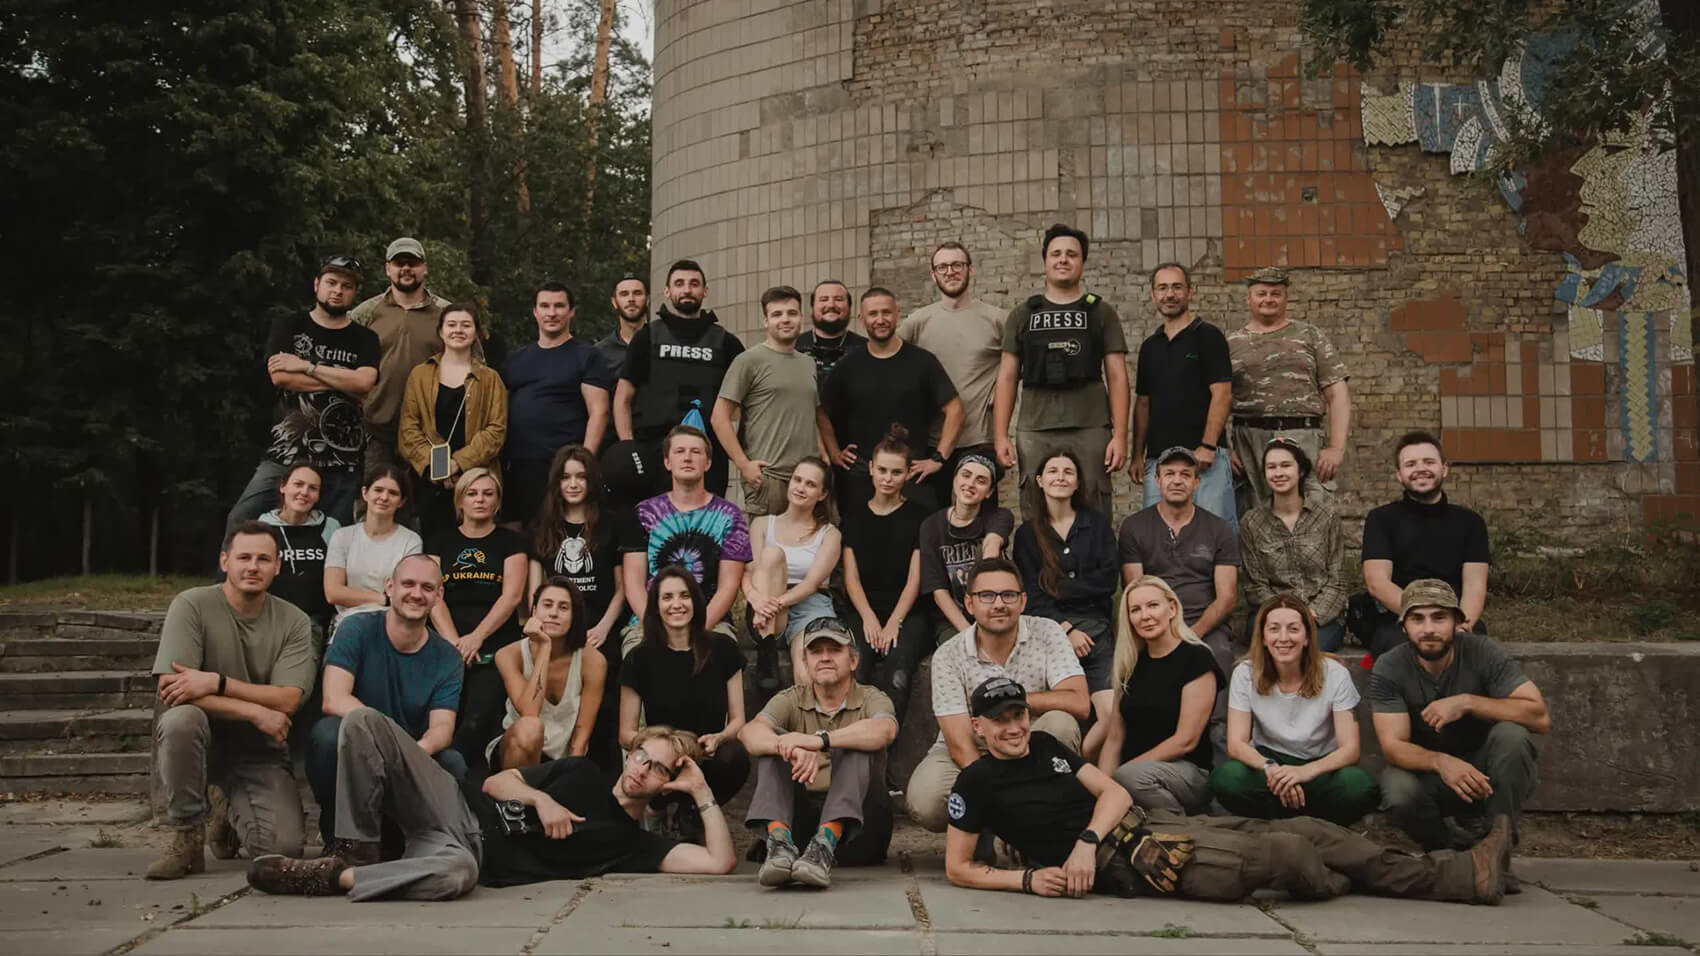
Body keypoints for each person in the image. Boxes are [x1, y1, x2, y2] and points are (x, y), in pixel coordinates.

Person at [944, 676, 1514, 906]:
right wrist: (1026, 879)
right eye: (1000, 720)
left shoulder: (1047, 746)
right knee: (1293, 852)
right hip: (1138, 863)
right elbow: (957, 867)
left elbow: (1113, 793)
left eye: (1018, 714)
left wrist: (1084, 842)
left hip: (1146, 827)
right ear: (978, 728)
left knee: (1312, 830)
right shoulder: (976, 782)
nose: (1014, 727)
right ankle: (1336, 879)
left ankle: (1461, 874)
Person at [246, 716, 735, 898]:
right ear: (630, 753)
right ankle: (355, 848)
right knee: (363, 722)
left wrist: (698, 789)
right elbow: (497, 781)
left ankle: (330, 878)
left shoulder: (634, 847)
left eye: (658, 769)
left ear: (667, 785)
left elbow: (720, 862)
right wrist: (541, 799)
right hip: (453, 805)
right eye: (641, 756)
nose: (642, 770)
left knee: (456, 876)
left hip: (462, 853)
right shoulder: (582, 772)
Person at [147, 522, 316, 879]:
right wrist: (255, 711)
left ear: (277, 566)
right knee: (180, 720)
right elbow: (172, 689)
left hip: (258, 751)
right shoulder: (192, 605)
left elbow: (288, 698)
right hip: (201, 741)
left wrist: (216, 682)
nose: (253, 567)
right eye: (243, 558)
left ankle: (227, 809)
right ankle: (187, 836)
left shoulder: (294, 621)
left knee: (284, 849)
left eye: (263, 559)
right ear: (225, 561)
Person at [906, 557, 1088, 832]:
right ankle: (1000, 823)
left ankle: (1041, 818)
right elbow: (959, 742)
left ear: (1023, 601)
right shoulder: (949, 655)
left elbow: (1079, 702)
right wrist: (999, 789)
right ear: (970, 604)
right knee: (926, 800)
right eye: (987, 596)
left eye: (1008, 595)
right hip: (976, 743)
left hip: (1031, 739)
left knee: (1061, 723)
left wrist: (1012, 701)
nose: (999, 604)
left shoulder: (1047, 632)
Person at [1371, 579, 1549, 853]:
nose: (1428, 629)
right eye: (1417, 619)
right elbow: (1393, 746)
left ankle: (1497, 848)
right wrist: (1441, 763)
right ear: (1403, 626)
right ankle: (1447, 852)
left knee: (1512, 737)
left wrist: (1468, 702)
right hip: (1430, 774)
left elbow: (1539, 717)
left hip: (1486, 772)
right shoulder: (1390, 666)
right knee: (1397, 787)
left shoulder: (1482, 651)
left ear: (1457, 622)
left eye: (1439, 617)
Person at [308, 554, 466, 853]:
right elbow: (334, 698)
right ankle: (340, 840)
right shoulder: (356, 628)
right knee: (327, 736)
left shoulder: (448, 657)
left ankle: (417, 841)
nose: (416, 594)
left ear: (438, 596)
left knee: (452, 763)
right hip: (358, 750)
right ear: (389, 587)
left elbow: (442, 728)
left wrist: (407, 753)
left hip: (411, 758)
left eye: (427, 587)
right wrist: (385, 741)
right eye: (408, 584)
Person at [740, 619, 899, 888]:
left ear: (853, 661)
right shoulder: (791, 698)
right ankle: (780, 845)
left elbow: (885, 730)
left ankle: (825, 843)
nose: (825, 657)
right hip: (804, 827)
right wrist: (787, 747)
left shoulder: (873, 698)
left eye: (834, 650)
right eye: (816, 651)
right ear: (805, 663)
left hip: (860, 829)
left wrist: (819, 741)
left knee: (856, 742)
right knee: (773, 741)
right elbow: (749, 733)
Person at [228, 255, 379, 528]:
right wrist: (343, 380)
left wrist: (306, 366)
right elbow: (281, 377)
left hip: (341, 457)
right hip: (286, 451)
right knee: (242, 520)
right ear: (317, 284)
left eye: (346, 286)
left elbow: (365, 383)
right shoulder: (289, 325)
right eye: (331, 283)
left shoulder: (365, 338)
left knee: (332, 536)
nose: (338, 290)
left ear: (355, 293)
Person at [991, 224, 1129, 516]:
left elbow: (1117, 376)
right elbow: (1007, 377)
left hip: (1091, 426)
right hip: (1035, 428)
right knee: (1036, 507)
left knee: (1094, 504)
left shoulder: (1101, 312)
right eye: (1056, 254)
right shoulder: (1023, 314)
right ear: (1045, 261)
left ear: (1082, 262)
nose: (1063, 259)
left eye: (1071, 254)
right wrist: (1000, 435)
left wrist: (1119, 436)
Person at [1211, 594, 1378, 824]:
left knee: (1358, 785)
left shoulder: (1335, 673)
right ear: (1263, 637)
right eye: (1274, 629)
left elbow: (1350, 750)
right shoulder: (1245, 673)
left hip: (1319, 766)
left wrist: (1304, 772)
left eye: (1293, 629)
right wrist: (1272, 770)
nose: (1283, 638)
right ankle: (1284, 813)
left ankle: (1307, 817)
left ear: (1307, 637)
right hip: (1269, 763)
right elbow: (1236, 745)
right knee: (1227, 778)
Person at [1117, 445, 1237, 755]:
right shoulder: (1134, 527)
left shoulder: (1218, 529)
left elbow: (1226, 598)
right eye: (1169, 473)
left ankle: (1218, 766)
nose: (1177, 480)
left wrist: (1190, 636)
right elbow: (1135, 590)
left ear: (1197, 482)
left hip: (1204, 626)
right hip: (1152, 622)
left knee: (1219, 655)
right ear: (1157, 481)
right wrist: (1163, 631)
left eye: (1186, 474)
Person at [619, 567, 750, 821]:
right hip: (662, 760)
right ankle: (657, 809)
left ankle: (691, 813)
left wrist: (719, 738)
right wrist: (664, 749)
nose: (677, 604)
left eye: (684, 596)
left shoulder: (723, 649)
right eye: (667, 597)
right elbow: (625, 733)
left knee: (734, 756)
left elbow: (738, 721)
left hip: (706, 755)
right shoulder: (639, 658)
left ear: (696, 602)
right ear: (656, 607)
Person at [819, 287, 963, 517]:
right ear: (861, 319)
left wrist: (939, 458)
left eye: (886, 312)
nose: (880, 319)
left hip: (912, 476)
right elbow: (822, 411)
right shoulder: (848, 366)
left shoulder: (922, 362)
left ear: (897, 314)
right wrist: (834, 451)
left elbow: (955, 409)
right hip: (860, 477)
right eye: (873, 314)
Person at [1011, 450, 1118, 758]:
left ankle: (1084, 769)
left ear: (1077, 483)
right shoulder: (1027, 535)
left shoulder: (1097, 525)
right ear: (1040, 481)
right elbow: (1031, 596)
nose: (1060, 477)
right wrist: (1066, 629)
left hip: (1096, 634)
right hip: (1049, 635)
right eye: (1053, 471)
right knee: (1055, 719)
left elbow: (1107, 581)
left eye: (1068, 472)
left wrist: (1056, 587)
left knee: (1111, 718)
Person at [613, 259, 745, 498]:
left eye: (694, 284)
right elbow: (622, 399)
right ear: (667, 291)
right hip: (653, 454)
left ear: (705, 291)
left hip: (708, 456)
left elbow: (745, 404)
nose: (687, 290)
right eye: (679, 284)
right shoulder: (647, 338)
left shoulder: (726, 343)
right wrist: (630, 450)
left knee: (706, 520)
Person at [528, 445, 625, 768]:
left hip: (598, 626)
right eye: (566, 477)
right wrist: (541, 629)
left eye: (580, 477)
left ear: (591, 481)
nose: (573, 484)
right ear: (556, 482)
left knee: (606, 699)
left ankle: (599, 772)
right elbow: (535, 589)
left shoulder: (609, 525)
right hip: (554, 626)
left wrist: (604, 628)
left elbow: (622, 589)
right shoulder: (541, 526)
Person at [426, 468, 530, 767]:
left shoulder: (512, 542)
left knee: (478, 716)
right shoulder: (439, 541)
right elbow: (432, 595)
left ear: (498, 502)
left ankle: (456, 770)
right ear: (460, 501)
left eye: (488, 494)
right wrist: (455, 643)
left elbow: (512, 596)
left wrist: (476, 638)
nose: (480, 500)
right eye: (472, 494)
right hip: (447, 640)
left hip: (495, 642)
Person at [617, 425, 751, 652]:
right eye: (679, 451)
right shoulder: (643, 513)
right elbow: (634, 584)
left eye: (695, 452)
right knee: (638, 657)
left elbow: (728, 586)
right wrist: (658, 630)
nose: (687, 457)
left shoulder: (730, 516)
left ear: (708, 463)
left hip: (711, 621)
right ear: (667, 462)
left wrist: (695, 633)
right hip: (649, 622)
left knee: (723, 655)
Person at [1096, 576, 1224, 814]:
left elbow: (1186, 740)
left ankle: (1181, 824)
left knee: (1131, 777)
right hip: (1132, 776)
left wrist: (1121, 776)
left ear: (1172, 608)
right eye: (1135, 610)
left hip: (1187, 773)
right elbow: (1114, 739)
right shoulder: (1130, 665)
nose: (1145, 616)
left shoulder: (1197, 658)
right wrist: (1103, 789)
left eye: (1153, 605)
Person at [1227, 266, 1351, 510]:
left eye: (1276, 293)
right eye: (1261, 293)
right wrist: (1224, 450)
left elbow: (1337, 393)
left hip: (1304, 437)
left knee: (1312, 513)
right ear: (1248, 298)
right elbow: (1216, 397)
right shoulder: (1231, 343)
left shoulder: (1310, 336)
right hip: (1249, 441)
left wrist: (1336, 448)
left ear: (1286, 297)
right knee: (1253, 517)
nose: (1268, 299)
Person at [1361, 431, 1491, 657]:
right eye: (1411, 464)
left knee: (1472, 650)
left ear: (1444, 469)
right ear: (1399, 475)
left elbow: (1475, 586)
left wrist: (1459, 623)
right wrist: (1420, 620)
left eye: (1429, 462)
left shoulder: (1471, 523)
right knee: (1404, 651)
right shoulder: (1380, 519)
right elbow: (1378, 583)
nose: (1420, 469)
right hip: (1398, 619)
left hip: (1454, 617)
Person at [900, 241, 1008, 508]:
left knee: (980, 521)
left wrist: (1000, 393)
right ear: (933, 274)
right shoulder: (917, 322)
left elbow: (1019, 368)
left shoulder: (997, 319)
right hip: (931, 442)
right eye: (943, 267)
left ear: (970, 269)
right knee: (929, 521)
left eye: (957, 265)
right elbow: (890, 361)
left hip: (978, 440)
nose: (950, 271)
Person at [500, 282, 614, 528]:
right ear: (535, 311)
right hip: (521, 466)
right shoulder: (516, 359)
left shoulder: (587, 356)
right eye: (545, 306)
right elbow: (501, 410)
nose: (552, 313)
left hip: (564, 465)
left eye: (559, 306)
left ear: (571, 311)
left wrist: (583, 463)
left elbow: (599, 412)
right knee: (526, 536)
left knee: (564, 534)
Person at [1130, 262, 1235, 529]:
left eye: (1177, 287)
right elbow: (1143, 403)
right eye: (1162, 288)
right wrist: (1137, 455)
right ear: (1153, 295)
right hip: (1158, 460)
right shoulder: (1150, 347)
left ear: (1190, 292)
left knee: (1214, 534)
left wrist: (1208, 446)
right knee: (1157, 536)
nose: (1170, 294)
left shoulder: (1209, 337)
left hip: (1204, 459)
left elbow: (1222, 393)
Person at [841, 426, 933, 728]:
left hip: (908, 611)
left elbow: (915, 579)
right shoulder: (853, 516)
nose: (887, 478)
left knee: (898, 668)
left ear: (907, 474)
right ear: (870, 468)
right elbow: (851, 578)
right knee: (856, 664)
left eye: (896, 472)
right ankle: (850, 738)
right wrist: (868, 618)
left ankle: (884, 737)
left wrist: (895, 621)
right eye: (882, 470)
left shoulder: (919, 517)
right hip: (864, 608)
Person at [398, 302, 508, 539]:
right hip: (430, 480)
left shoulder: (490, 379)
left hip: (477, 480)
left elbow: (496, 431)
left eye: (466, 325)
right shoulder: (420, 375)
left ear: (476, 333)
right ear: (441, 331)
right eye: (451, 325)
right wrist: (439, 469)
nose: (458, 330)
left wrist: (458, 464)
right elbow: (408, 429)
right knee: (433, 546)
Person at [711, 285, 821, 517]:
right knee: (765, 542)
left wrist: (825, 460)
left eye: (792, 313)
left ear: (801, 318)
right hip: (769, 479)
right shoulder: (748, 361)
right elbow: (719, 418)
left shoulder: (808, 363)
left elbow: (811, 417)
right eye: (777, 314)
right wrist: (744, 464)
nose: (785, 319)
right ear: (766, 321)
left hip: (807, 478)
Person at [485, 577, 607, 771]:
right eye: (547, 605)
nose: (553, 613)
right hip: (514, 750)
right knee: (531, 728)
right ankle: (511, 791)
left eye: (563, 607)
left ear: (575, 616)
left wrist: (569, 775)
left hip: (558, 761)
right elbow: (530, 713)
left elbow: (581, 738)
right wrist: (544, 647)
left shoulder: (593, 661)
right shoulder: (508, 655)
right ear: (534, 611)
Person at [351, 237, 453, 469]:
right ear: (388, 268)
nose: (406, 268)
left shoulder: (447, 313)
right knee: (376, 489)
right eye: (399, 263)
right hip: (376, 429)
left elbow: (475, 365)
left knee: (435, 485)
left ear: (424, 268)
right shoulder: (366, 312)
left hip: (434, 432)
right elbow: (343, 360)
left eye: (413, 263)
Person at [743, 457, 842, 689]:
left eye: (810, 484)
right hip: (764, 607)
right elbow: (749, 573)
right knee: (772, 555)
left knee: (807, 673)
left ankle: (807, 713)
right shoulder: (761, 524)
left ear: (822, 494)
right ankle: (767, 651)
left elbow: (811, 584)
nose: (801, 487)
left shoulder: (829, 534)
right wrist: (757, 600)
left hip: (809, 604)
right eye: (797, 480)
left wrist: (774, 604)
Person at [1240, 438, 1347, 651]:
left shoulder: (1326, 517)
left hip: (1320, 617)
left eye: (1286, 465)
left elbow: (1337, 581)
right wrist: (1283, 615)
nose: (1278, 473)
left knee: (1305, 651)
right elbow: (1255, 585)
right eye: (1271, 467)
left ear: (1301, 471)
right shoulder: (1252, 522)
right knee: (1274, 645)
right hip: (1271, 614)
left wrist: (1309, 615)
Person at [918, 455, 1015, 639]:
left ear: (989, 492)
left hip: (995, 611)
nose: (970, 484)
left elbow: (992, 545)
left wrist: (986, 625)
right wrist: (969, 633)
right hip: (952, 620)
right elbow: (938, 591)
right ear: (955, 479)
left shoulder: (999, 516)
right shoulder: (931, 526)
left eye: (981, 481)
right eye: (966, 475)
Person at [323, 464, 423, 636]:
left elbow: (407, 594)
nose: (384, 497)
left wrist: (354, 595)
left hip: (393, 627)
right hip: (348, 625)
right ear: (365, 493)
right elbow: (333, 592)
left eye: (393, 493)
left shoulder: (411, 541)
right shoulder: (342, 536)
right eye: (378, 490)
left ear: (401, 502)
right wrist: (382, 598)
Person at [258, 462, 341, 638]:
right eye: (298, 484)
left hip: (311, 624)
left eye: (313, 488)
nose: (304, 492)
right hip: (267, 620)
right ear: (283, 487)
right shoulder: (262, 527)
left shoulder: (331, 528)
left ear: (318, 495)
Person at [795, 279, 866, 386]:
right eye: (823, 299)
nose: (831, 305)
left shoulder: (866, 349)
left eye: (838, 299)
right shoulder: (794, 347)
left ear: (849, 307)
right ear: (812, 307)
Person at [595, 273, 649, 376]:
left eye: (637, 293)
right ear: (614, 302)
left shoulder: (662, 344)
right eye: (624, 294)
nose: (631, 299)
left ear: (647, 300)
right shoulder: (599, 353)